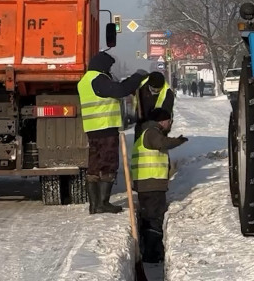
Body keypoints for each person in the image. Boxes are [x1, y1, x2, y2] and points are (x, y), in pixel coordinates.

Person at [78, 51, 148, 214]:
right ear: (103, 66)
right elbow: (121, 90)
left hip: (92, 128)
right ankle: (102, 203)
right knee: (109, 163)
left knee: (94, 165)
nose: (110, 70)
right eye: (109, 67)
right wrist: (137, 77)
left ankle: (94, 205)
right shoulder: (98, 79)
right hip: (105, 127)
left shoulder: (85, 81)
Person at [131, 108, 188, 263]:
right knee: (154, 218)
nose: (170, 124)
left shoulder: (147, 132)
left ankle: (150, 251)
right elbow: (162, 143)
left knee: (151, 217)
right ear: (163, 121)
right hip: (151, 183)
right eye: (169, 121)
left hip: (149, 183)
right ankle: (151, 254)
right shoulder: (152, 132)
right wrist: (178, 141)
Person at [134, 71, 175, 140]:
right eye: (153, 89)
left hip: (159, 123)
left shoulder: (168, 94)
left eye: (158, 90)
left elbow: (166, 113)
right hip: (141, 121)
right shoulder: (141, 86)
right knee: (139, 144)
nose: (155, 91)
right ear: (149, 85)